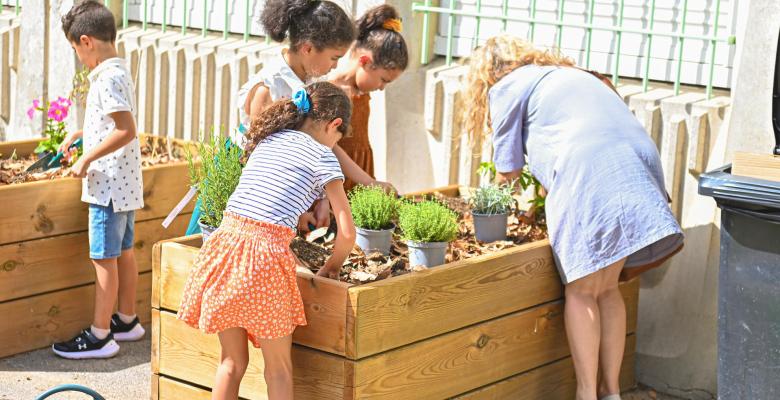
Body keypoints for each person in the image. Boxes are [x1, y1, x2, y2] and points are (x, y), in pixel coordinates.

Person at [462, 35, 684, 400]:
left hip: (591, 169)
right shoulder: (570, 74)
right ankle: (611, 392)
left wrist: (485, 213)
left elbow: (507, 172)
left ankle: (585, 394)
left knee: (582, 291)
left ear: (487, 75)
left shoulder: (505, 88)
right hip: (636, 162)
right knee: (609, 289)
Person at [177, 82, 356, 400]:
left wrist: (298, 214)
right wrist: (332, 266)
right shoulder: (324, 157)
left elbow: (269, 193)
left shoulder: (270, 139)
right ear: (335, 125)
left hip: (224, 247)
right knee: (279, 370)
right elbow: (347, 232)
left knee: (231, 363)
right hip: (264, 262)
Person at [186, 0, 355, 237]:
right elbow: (262, 156)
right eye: (334, 58)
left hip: (271, 181)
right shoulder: (268, 88)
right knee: (208, 242)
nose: (335, 66)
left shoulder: (307, 82)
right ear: (307, 48)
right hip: (241, 172)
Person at [52, 0, 146, 359]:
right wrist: (82, 134)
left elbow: (126, 129)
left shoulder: (106, 77)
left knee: (103, 258)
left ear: (87, 41)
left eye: (77, 49)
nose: (79, 58)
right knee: (123, 252)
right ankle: (126, 319)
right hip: (125, 183)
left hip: (107, 184)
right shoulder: (118, 70)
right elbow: (113, 122)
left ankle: (100, 335)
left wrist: (86, 158)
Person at [328, 4, 408, 192]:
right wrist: (367, 181)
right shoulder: (331, 93)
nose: (381, 88)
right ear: (364, 61)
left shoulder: (360, 93)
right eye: (383, 80)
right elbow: (329, 147)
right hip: (335, 179)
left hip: (360, 174)